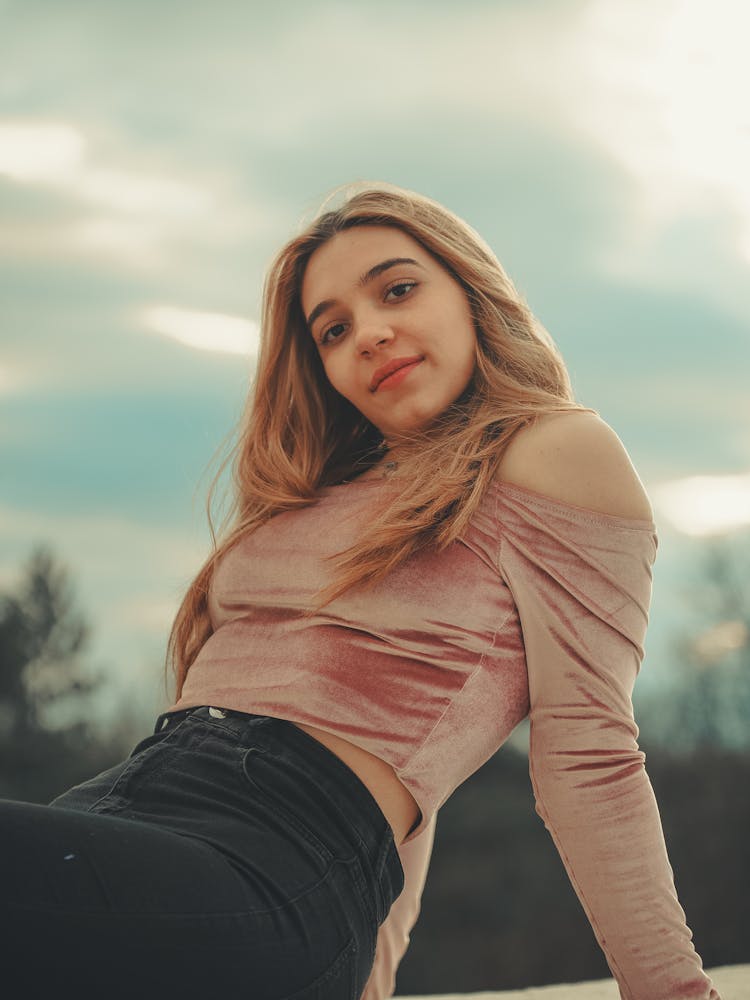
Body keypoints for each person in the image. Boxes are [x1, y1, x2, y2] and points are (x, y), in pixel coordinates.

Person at [0, 182, 721, 1000]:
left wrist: (670, 991)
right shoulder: (316, 496)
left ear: (472, 293)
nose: (370, 334)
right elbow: (416, 791)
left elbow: (588, 755)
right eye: (334, 331)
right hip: (127, 822)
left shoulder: (552, 449)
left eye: (399, 289)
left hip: (269, 864)